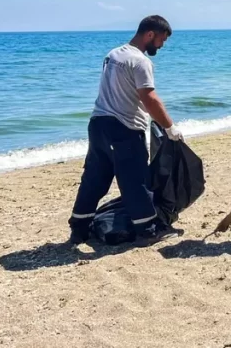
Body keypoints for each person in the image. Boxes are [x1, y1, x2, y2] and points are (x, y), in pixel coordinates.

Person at [68, 15, 182, 244]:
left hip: (98, 123)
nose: (162, 45)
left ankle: (79, 228)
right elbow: (149, 98)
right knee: (135, 180)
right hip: (124, 127)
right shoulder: (140, 61)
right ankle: (148, 230)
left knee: (95, 177)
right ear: (150, 34)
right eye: (161, 39)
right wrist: (170, 127)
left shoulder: (113, 55)